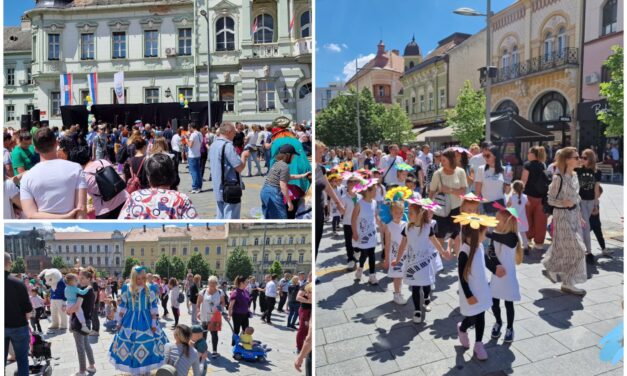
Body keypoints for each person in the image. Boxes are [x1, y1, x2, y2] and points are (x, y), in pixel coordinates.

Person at [455, 213, 503, 361]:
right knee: (472, 317)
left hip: (481, 289)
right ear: (476, 233)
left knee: (481, 315)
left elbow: (486, 262)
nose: (486, 235)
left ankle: (478, 344)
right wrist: (469, 295)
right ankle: (462, 329)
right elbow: (463, 278)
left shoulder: (480, 246)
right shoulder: (464, 252)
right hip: (471, 291)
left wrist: (495, 269)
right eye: (485, 232)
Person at [394, 201, 451, 323]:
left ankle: (426, 298)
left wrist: (443, 252)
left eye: (411, 213)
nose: (409, 215)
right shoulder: (407, 227)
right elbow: (402, 245)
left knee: (426, 285)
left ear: (420, 213)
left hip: (425, 263)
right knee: (415, 287)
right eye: (408, 213)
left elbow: (435, 242)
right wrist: (397, 259)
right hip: (412, 263)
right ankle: (417, 311)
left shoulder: (427, 228)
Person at [542, 147, 588, 296]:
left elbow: (576, 198)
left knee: (566, 249)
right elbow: (550, 199)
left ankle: (556, 272)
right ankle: (568, 282)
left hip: (573, 216)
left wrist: (579, 214)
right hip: (562, 217)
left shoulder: (574, 175)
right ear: (567, 160)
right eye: (576, 157)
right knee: (579, 250)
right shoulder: (558, 178)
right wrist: (564, 203)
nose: (579, 159)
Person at [109, 266, 169, 373]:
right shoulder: (127, 288)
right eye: (138, 278)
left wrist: (154, 323)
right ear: (133, 278)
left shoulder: (150, 288)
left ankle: (146, 370)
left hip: (146, 320)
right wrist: (119, 321)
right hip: (129, 320)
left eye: (142, 278)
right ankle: (136, 370)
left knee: (148, 344)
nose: (140, 281)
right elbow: (123, 306)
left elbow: (153, 307)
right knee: (131, 345)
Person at [19, 128, 87, 219]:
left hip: (44, 229)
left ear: (35, 149)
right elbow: (81, 209)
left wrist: (64, 217)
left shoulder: (26, 177)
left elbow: (31, 214)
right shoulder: (76, 168)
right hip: (70, 227)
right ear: (57, 144)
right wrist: (66, 218)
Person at [118, 153, 198, 219]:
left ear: (149, 177)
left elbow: (121, 225)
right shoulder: (182, 199)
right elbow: (195, 228)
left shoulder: (135, 197)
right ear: (173, 175)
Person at [63, 141, 129, 219]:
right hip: (124, 200)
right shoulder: (103, 161)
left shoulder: (83, 177)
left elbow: (82, 200)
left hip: (105, 211)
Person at [489, 209, 523, 343]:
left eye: (498, 220)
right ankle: (498, 322)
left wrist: (483, 231)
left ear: (507, 222)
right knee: (494, 302)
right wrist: (497, 265)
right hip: (497, 275)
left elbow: (498, 238)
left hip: (508, 278)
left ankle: (510, 327)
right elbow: (491, 252)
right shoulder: (495, 234)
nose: (495, 221)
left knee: (509, 304)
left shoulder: (512, 237)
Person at [209, 122, 251, 219]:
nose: (235, 134)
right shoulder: (227, 146)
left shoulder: (214, 145)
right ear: (228, 132)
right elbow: (239, 167)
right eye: (234, 132)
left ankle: (220, 233)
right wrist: (244, 156)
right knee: (231, 218)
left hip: (218, 185)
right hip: (230, 188)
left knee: (220, 216)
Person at [429, 148, 468, 251]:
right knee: (439, 235)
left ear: (451, 159)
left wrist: (450, 190)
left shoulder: (461, 172)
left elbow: (463, 191)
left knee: (456, 235)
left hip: (456, 208)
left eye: (444, 160)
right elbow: (431, 192)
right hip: (440, 209)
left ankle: (459, 258)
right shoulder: (437, 173)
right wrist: (429, 208)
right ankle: (439, 259)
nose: (441, 163)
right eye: (441, 160)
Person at [576, 149, 610, 264]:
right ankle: (589, 252)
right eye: (581, 157)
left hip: (591, 202)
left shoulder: (597, 172)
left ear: (590, 159)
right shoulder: (578, 170)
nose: (582, 159)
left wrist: (596, 204)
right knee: (586, 225)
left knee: (585, 225)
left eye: (584, 157)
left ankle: (583, 250)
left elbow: (596, 189)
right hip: (580, 201)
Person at [261, 144, 311, 219]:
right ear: (288, 155)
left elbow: (289, 176)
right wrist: (289, 202)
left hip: (264, 191)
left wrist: (303, 175)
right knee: (281, 217)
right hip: (273, 193)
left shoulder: (277, 164)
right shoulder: (284, 166)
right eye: (293, 155)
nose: (294, 157)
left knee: (269, 217)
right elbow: (283, 185)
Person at [5, 253, 33, 376]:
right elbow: (28, 309)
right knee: (22, 360)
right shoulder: (18, 283)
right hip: (18, 326)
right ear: (9, 263)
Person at [67, 269, 97, 376]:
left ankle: (82, 371)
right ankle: (92, 366)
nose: (80, 280)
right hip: (86, 321)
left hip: (79, 322)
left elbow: (77, 306)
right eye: (79, 278)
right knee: (86, 344)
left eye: (83, 278)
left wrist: (68, 310)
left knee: (80, 347)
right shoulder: (91, 290)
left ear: (89, 279)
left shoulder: (83, 290)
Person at [521, 146, 549, 252]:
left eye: (529, 152)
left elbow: (524, 180)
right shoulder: (543, 165)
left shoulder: (527, 165)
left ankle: (527, 240)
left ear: (533, 154)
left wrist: (518, 192)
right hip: (542, 197)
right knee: (541, 221)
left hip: (528, 196)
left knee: (527, 219)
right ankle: (539, 243)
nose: (528, 154)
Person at [352, 179, 381, 284]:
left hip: (372, 234)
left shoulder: (374, 202)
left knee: (372, 254)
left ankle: (372, 276)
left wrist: (380, 223)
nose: (376, 192)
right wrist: (354, 233)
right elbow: (353, 219)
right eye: (374, 190)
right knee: (364, 254)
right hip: (362, 235)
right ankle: (360, 268)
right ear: (368, 191)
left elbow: (375, 216)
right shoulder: (359, 204)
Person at [383, 200, 408, 305]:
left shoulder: (406, 225)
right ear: (391, 212)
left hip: (405, 255)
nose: (399, 215)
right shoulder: (389, 226)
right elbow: (387, 244)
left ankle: (399, 291)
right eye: (396, 212)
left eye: (401, 212)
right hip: (394, 255)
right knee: (397, 275)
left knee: (401, 274)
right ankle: (397, 294)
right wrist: (386, 259)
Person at [197, 275, 225, 358]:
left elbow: (223, 302)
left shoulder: (220, 292)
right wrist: (198, 312)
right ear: (208, 283)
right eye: (210, 282)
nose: (212, 284)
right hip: (205, 316)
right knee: (204, 333)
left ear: (216, 283)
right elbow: (198, 303)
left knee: (214, 334)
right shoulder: (203, 292)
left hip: (215, 316)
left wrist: (220, 307)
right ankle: (203, 350)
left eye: (214, 283)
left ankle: (214, 351)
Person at [475, 145, 506, 214]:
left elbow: (507, 191)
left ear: (495, 156)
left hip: (500, 206)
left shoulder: (504, 170)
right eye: (484, 156)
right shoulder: (481, 169)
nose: (485, 158)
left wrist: (508, 181)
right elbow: (477, 192)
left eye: (488, 155)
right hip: (486, 207)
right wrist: (479, 206)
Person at [508, 181, 530, 252]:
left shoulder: (512, 197)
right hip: (522, 218)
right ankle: (526, 247)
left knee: (514, 233)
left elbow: (508, 205)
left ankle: (516, 247)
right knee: (523, 234)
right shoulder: (525, 197)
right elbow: (528, 204)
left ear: (513, 188)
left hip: (514, 218)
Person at [228, 276, 250, 344]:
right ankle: (234, 345)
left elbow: (247, 301)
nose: (247, 283)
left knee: (246, 330)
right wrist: (229, 315)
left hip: (245, 314)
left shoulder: (246, 291)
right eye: (246, 282)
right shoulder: (235, 292)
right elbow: (231, 306)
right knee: (236, 330)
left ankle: (244, 343)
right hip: (237, 314)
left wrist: (248, 309)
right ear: (241, 283)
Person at [296, 276, 312, 352]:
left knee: (308, 329)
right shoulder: (305, 285)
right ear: (310, 276)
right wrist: (309, 301)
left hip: (310, 310)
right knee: (303, 329)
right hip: (305, 310)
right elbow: (298, 297)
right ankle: (299, 347)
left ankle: (305, 346)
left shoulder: (312, 284)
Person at [186, 123, 203, 193]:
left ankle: (195, 187)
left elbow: (190, 145)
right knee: (198, 171)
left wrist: (186, 139)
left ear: (191, 127)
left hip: (192, 156)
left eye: (188, 128)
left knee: (194, 172)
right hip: (198, 154)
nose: (188, 129)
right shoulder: (199, 134)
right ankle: (199, 186)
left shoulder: (193, 135)